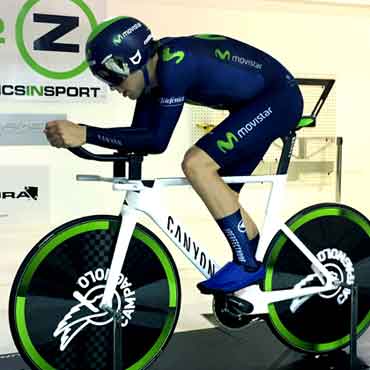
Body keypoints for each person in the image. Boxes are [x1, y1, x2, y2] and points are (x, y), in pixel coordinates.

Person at [44, 16, 304, 294]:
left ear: (133, 58)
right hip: (253, 103)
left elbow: (157, 141)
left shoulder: (175, 66)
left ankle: (248, 266)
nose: (113, 87)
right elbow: (140, 135)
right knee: (222, 192)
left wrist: (86, 133)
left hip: (279, 99)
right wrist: (89, 139)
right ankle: (252, 284)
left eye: (113, 75)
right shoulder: (152, 76)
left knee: (197, 165)